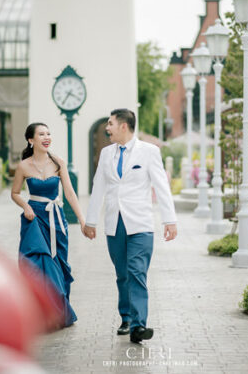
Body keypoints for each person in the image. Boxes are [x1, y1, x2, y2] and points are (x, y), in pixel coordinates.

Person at [83, 108, 177, 343]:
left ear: (124, 126)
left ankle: (138, 325)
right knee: (122, 273)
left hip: (141, 224)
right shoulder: (106, 154)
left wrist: (170, 220)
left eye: (111, 124)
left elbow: (161, 186)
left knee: (137, 272)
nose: (107, 128)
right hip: (115, 223)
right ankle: (126, 316)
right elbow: (98, 187)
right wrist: (91, 221)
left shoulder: (149, 152)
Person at [10, 122, 85, 328]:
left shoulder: (58, 162)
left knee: (59, 265)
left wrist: (82, 220)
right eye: (41, 134)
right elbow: (15, 193)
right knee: (37, 266)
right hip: (33, 220)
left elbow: (69, 193)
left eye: (48, 133)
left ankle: (59, 311)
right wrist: (25, 205)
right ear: (31, 140)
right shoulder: (24, 166)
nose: (47, 137)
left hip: (56, 220)